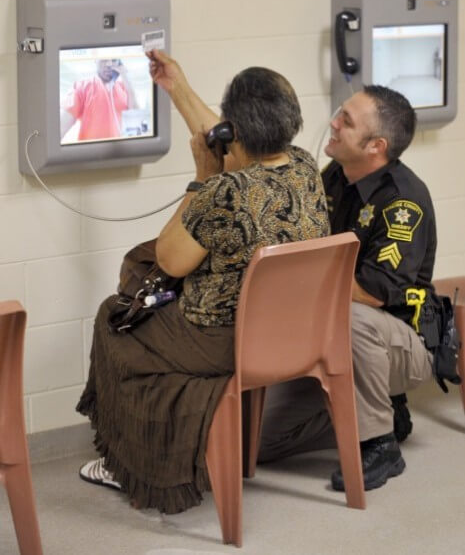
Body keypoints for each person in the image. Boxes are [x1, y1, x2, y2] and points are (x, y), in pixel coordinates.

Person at [76, 52, 330, 513]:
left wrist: (201, 179)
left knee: (117, 320)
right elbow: (228, 135)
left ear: (240, 130)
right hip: (295, 336)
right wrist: (178, 88)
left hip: (224, 339)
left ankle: (136, 463)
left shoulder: (223, 192)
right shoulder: (304, 166)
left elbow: (172, 261)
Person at [258, 85, 437, 492]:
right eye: (340, 113)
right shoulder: (338, 174)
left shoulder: (402, 203)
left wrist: (302, 283)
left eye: (347, 121)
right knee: (260, 442)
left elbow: (372, 293)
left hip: (400, 342)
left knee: (350, 316)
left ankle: (379, 443)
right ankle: (381, 412)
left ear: (376, 146)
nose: (333, 123)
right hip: (330, 334)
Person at [60, 58, 139, 141]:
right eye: (104, 59)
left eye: (114, 60)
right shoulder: (81, 87)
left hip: (119, 151)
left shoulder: (124, 88)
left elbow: (136, 122)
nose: (109, 64)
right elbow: (60, 128)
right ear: (95, 59)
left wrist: (125, 76)